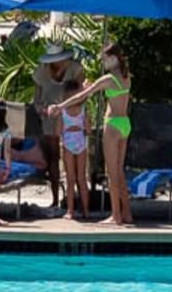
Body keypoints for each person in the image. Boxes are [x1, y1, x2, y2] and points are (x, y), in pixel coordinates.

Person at [52, 42, 134, 226]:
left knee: (111, 173)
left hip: (112, 125)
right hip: (125, 124)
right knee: (119, 172)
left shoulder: (108, 79)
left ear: (113, 58)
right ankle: (127, 213)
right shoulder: (126, 77)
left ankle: (116, 216)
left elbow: (81, 96)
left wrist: (60, 106)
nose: (101, 61)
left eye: (104, 58)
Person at [32, 45, 76, 208]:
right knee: (52, 157)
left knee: (68, 159)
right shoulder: (41, 73)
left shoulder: (74, 68)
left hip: (70, 117)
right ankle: (56, 198)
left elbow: (79, 94)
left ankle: (70, 200)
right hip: (48, 118)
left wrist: (64, 108)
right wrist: (44, 110)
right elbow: (36, 100)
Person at [56, 74, 90, 220]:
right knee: (73, 179)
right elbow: (59, 131)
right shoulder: (63, 113)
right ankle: (73, 210)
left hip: (76, 142)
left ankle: (82, 209)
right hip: (73, 143)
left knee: (79, 179)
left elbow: (88, 128)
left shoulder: (82, 111)